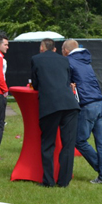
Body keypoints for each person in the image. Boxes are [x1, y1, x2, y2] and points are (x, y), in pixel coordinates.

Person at [30, 38, 80, 188]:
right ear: (55, 48)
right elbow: (67, 81)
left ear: (42, 47)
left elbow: (36, 84)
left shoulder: (36, 59)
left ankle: (48, 181)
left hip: (50, 105)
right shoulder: (64, 60)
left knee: (47, 144)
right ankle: (64, 182)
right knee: (68, 145)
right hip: (70, 105)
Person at [63, 39, 102, 185]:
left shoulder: (69, 62)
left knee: (80, 140)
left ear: (66, 50)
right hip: (100, 103)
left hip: (87, 105)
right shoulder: (85, 60)